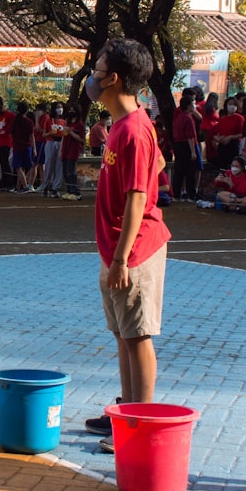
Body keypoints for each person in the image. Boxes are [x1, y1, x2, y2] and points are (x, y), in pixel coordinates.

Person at [83, 38, 171, 454]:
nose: (92, 76)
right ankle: (126, 411)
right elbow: (157, 166)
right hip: (116, 250)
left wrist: (121, 257)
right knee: (123, 335)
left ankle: (139, 424)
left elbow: (138, 196)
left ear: (113, 78)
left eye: (97, 68)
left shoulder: (134, 129)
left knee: (138, 337)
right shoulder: (121, 126)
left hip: (133, 252)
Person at [171, 92, 198, 201]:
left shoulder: (178, 117)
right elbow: (190, 136)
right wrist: (193, 151)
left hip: (178, 145)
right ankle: (191, 194)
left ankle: (177, 194)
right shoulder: (188, 118)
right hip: (186, 146)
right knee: (189, 172)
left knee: (179, 171)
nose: (194, 105)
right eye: (193, 104)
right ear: (188, 106)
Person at [0, 97, 15, 191]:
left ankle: (9, 182)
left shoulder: (10, 115)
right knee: (1, 162)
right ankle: (3, 181)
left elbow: (10, 129)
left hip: (7, 142)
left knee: (5, 162)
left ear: (0, 106)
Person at [60, 105, 85, 200]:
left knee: (71, 171)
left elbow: (81, 139)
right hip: (66, 148)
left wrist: (71, 132)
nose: (71, 112)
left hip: (73, 150)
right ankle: (69, 190)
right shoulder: (68, 123)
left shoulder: (80, 125)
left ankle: (76, 192)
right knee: (65, 171)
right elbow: (64, 136)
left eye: (72, 110)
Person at [42, 103, 66, 198]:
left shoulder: (64, 122)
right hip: (51, 142)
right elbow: (43, 134)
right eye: (57, 108)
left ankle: (55, 188)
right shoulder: (49, 120)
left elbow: (65, 134)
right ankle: (46, 186)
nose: (60, 109)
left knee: (59, 166)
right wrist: (50, 132)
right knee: (49, 165)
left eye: (61, 108)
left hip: (60, 142)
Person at [10, 101, 35, 193]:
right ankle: (20, 186)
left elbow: (11, 134)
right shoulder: (29, 122)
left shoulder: (15, 121)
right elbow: (32, 136)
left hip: (17, 146)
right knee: (23, 167)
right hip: (26, 146)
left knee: (18, 167)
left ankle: (23, 186)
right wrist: (34, 148)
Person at [212, 96, 244, 168]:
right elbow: (216, 133)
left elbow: (242, 133)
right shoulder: (222, 119)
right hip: (222, 146)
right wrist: (218, 139)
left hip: (233, 145)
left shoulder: (239, 118)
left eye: (234, 104)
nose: (232, 106)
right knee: (222, 166)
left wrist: (230, 137)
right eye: (230, 104)